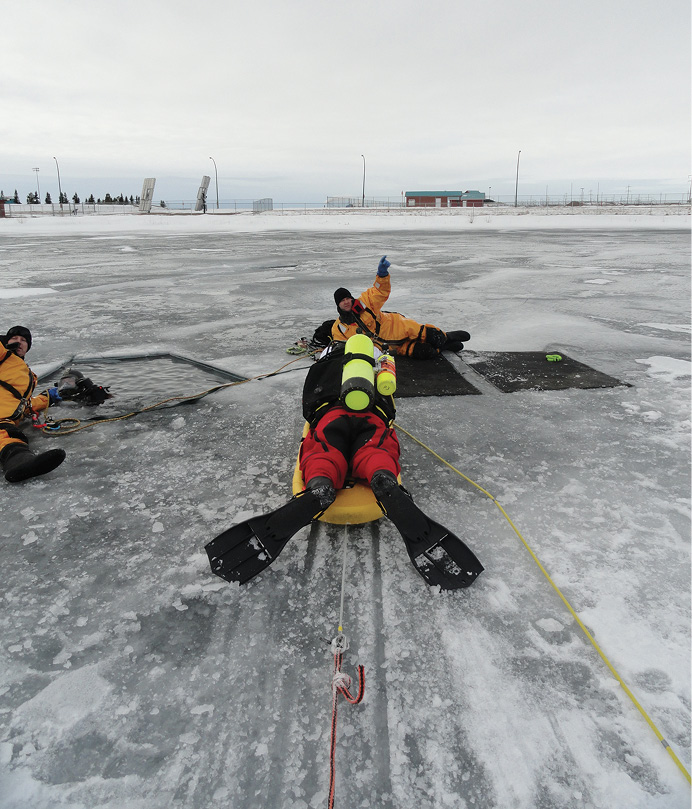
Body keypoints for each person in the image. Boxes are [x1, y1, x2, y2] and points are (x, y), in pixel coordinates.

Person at [206, 337, 483, 590]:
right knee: (375, 447)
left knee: (324, 449)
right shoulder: (377, 362)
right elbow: (389, 397)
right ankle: (381, 475)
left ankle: (321, 483)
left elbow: (309, 400)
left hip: (330, 412)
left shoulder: (323, 364)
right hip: (371, 412)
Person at [327, 255, 470, 359]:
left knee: (431, 335)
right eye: (342, 301)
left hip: (396, 326)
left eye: (347, 298)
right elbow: (342, 346)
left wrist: (382, 276)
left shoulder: (364, 302)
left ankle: (447, 336)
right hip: (389, 347)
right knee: (424, 352)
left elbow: (379, 292)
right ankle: (444, 347)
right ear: (338, 305)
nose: (346, 302)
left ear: (351, 299)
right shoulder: (338, 328)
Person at [0, 326, 66, 482]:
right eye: (14, 338)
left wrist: (47, 398)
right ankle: (19, 461)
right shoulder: (3, 356)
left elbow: (22, 404)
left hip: (6, 419)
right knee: (6, 436)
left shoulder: (26, 373)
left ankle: (20, 461)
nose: (19, 342)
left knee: (11, 434)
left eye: (23, 340)